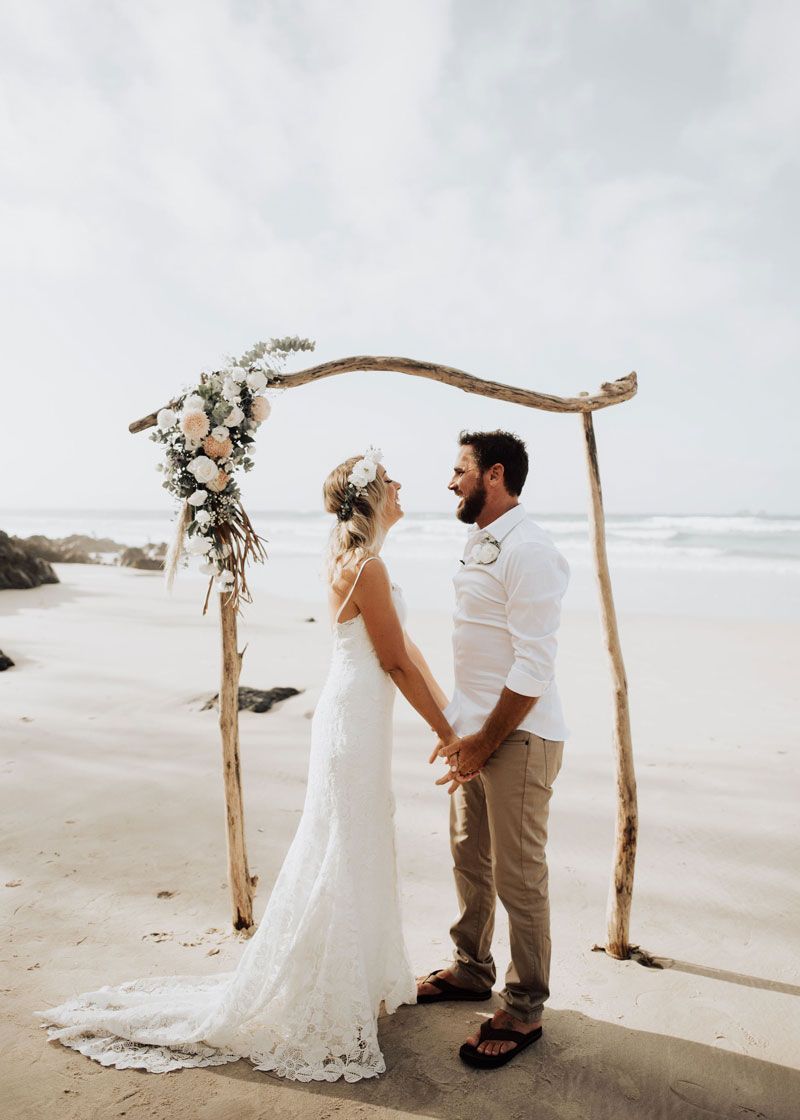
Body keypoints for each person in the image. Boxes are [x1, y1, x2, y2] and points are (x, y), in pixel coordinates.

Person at [35, 446, 454, 1083]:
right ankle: (330, 986)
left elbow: (406, 650)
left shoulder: (366, 562)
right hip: (353, 726)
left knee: (358, 840)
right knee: (344, 844)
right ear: (369, 496)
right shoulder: (365, 567)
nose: (401, 486)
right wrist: (449, 733)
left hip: (359, 720)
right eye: (390, 480)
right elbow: (394, 661)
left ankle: (356, 974)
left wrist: (449, 715)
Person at [419, 430, 570, 1070]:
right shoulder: (479, 540)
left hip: (520, 737)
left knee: (518, 875)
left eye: (460, 471)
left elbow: (535, 666)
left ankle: (526, 1007)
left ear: (495, 475)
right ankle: (471, 968)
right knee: (468, 859)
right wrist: (460, 731)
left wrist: (484, 741)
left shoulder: (532, 550)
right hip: (475, 733)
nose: (451, 482)